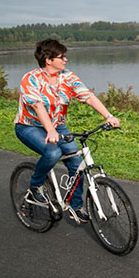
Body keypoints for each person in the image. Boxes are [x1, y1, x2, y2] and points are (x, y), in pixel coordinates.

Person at [14, 39, 120, 222]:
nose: (66, 60)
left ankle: (75, 204)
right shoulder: (30, 79)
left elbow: (87, 96)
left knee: (76, 163)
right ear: (48, 60)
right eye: (61, 57)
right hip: (29, 126)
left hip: (57, 126)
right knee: (53, 152)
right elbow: (38, 107)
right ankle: (35, 186)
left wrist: (108, 116)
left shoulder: (67, 77)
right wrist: (50, 131)